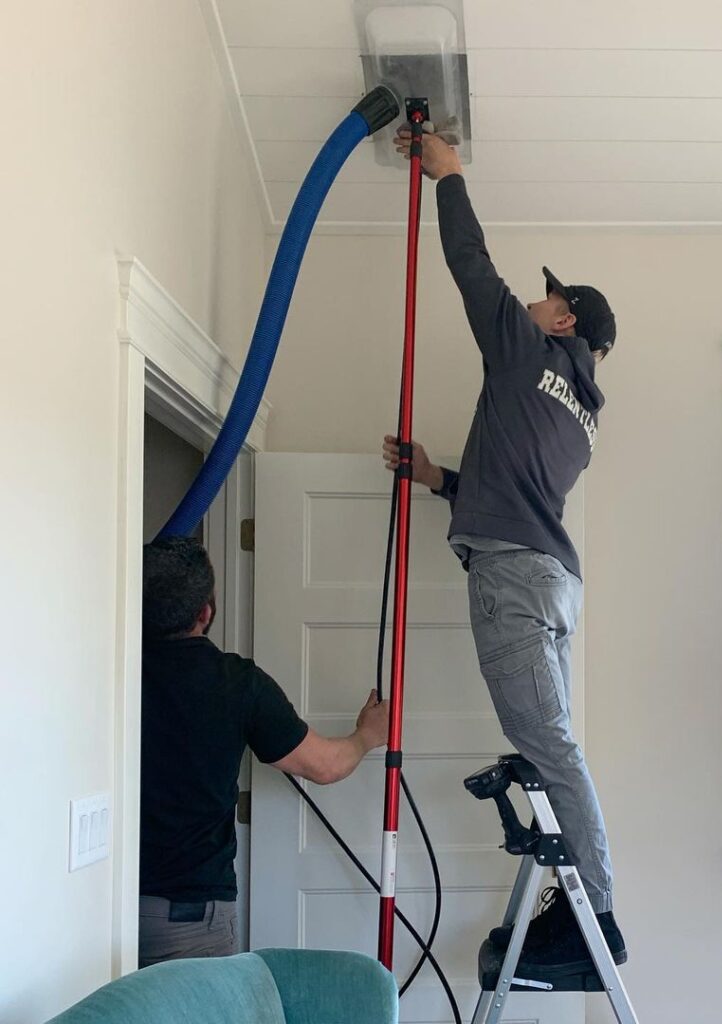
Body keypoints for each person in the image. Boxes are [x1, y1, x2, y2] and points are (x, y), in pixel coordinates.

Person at [382, 128, 624, 980]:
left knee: (553, 748)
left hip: (517, 581)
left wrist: (448, 176)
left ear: (562, 320)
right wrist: (438, 475)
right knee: (551, 744)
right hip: (553, 581)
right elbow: (514, 487)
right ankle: (582, 903)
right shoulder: (583, 416)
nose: (531, 305)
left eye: (545, 301)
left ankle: (595, 916)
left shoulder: (529, 351)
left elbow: (471, 265)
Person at [139, 536, 388, 968]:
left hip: (99, 905)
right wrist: (366, 735)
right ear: (206, 612)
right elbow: (325, 766)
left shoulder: (105, 669)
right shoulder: (236, 684)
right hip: (192, 921)